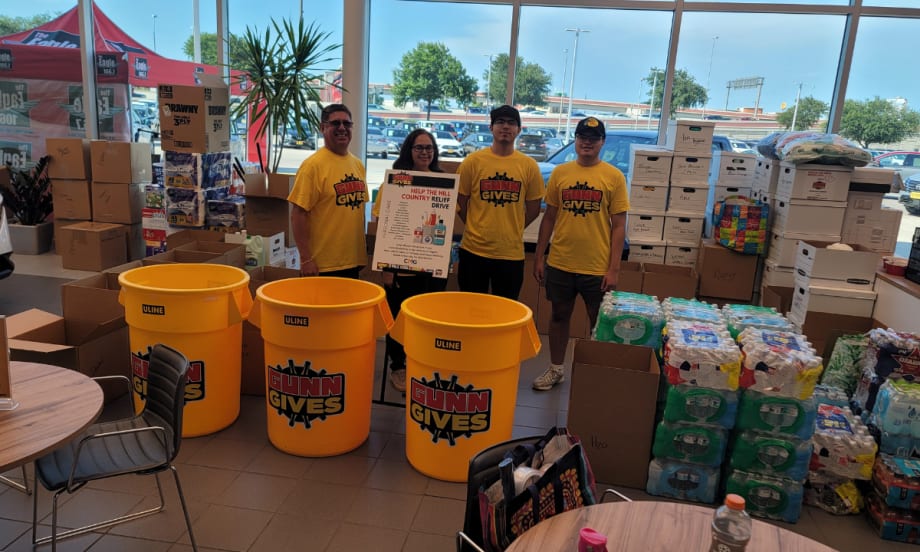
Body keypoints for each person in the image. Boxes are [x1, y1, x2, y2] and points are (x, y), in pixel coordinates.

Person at [532, 117, 628, 391]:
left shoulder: (613, 177)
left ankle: (596, 375)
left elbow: (619, 225)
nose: (587, 142)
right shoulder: (561, 174)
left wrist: (614, 269)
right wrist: (540, 256)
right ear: (575, 140)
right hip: (561, 261)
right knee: (559, 316)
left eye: (593, 138)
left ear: (602, 143)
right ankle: (556, 369)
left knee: (599, 323)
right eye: (582, 136)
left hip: (596, 266)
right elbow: (548, 218)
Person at [372, 129, 448, 392]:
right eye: (419, 148)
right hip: (400, 265)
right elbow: (382, 224)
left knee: (429, 318)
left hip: (432, 265)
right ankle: (399, 366)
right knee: (398, 318)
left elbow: (445, 225)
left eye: (429, 148)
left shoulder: (442, 181)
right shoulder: (395, 182)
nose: (425, 152)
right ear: (409, 151)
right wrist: (386, 268)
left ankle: (424, 362)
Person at [456, 105, 544, 300]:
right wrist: (475, 225)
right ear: (491, 127)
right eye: (500, 122)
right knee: (470, 310)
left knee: (505, 313)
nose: (506, 127)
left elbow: (534, 209)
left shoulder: (529, 166)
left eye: (511, 123)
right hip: (473, 251)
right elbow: (460, 204)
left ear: (519, 130)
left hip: (510, 255)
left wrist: (514, 227)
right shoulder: (473, 162)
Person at [288, 104, 368, 278]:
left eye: (347, 124)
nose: (342, 128)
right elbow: (298, 214)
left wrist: (359, 256)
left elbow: (357, 212)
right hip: (322, 266)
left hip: (352, 262)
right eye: (335, 123)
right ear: (323, 128)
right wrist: (306, 259)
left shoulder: (358, 165)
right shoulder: (312, 166)